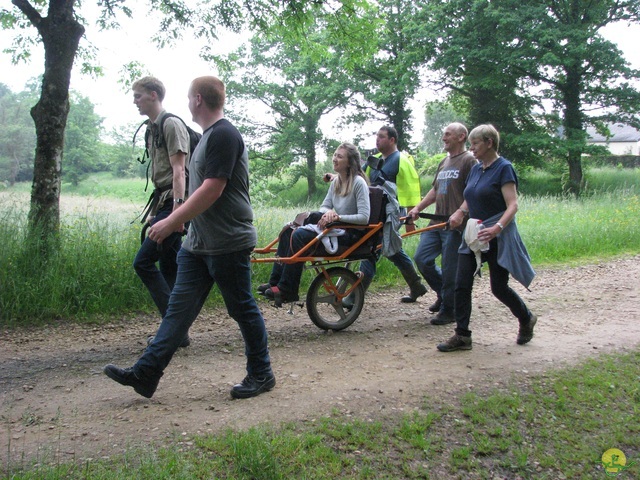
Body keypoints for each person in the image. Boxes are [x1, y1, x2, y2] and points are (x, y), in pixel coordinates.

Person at [104, 76, 275, 399]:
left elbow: (213, 188)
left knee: (241, 307)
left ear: (198, 99)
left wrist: (171, 221)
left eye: (187, 97)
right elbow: (197, 187)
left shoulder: (225, 134)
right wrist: (183, 220)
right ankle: (146, 373)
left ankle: (262, 373)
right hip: (198, 243)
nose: (186, 103)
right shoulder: (209, 136)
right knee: (178, 311)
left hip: (228, 240)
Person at [437, 124, 536, 352]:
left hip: (496, 235)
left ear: (489, 143)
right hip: (473, 233)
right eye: (470, 144)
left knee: (498, 288)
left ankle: (526, 318)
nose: (472, 148)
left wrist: (497, 229)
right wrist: (460, 212)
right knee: (462, 284)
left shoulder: (504, 168)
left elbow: (513, 205)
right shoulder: (476, 168)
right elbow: (469, 197)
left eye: (475, 144)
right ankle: (462, 335)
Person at [261, 143, 371, 305]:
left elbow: (364, 218)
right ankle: (275, 282)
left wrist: (337, 217)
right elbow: (325, 206)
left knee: (298, 235)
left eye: (340, 156)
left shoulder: (358, 183)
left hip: (351, 234)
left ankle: (288, 289)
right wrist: (328, 213)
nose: (334, 159)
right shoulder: (336, 182)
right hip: (337, 227)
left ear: (350, 162)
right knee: (288, 231)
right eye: (335, 155)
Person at [131, 76, 191, 348]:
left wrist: (177, 213)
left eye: (139, 96)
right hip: (165, 202)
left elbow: (180, 171)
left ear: (153, 95)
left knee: (143, 262)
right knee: (169, 267)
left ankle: (174, 330)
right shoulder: (153, 128)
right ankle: (178, 333)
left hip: (175, 203)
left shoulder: (171, 124)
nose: (135, 101)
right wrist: (158, 211)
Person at [407, 123, 477, 325]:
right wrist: (418, 208)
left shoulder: (469, 161)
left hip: (455, 225)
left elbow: (473, 192)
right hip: (437, 222)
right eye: (443, 134)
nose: (443, 138)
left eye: (447, 134)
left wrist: (460, 213)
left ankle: (450, 310)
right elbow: (436, 190)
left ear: (461, 136)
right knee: (422, 258)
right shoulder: (444, 162)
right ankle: (443, 294)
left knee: (449, 268)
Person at [359, 126, 427, 303]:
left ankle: (355, 295)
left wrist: (413, 213)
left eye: (381, 137)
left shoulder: (401, 160)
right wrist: (337, 178)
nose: (377, 140)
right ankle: (416, 285)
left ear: (392, 140)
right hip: (375, 212)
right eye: (377, 136)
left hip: (393, 212)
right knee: (391, 249)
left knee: (371, 248)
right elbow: (359, 176)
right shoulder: (374, 161)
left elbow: (412, 187)